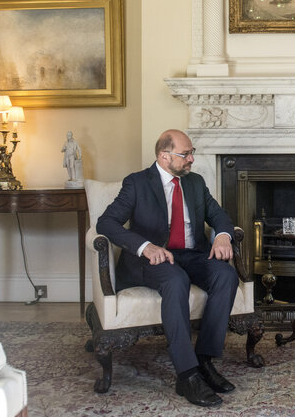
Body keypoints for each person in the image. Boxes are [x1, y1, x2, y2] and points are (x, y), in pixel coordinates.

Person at [97, 129, 238, 408]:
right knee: (176, 281)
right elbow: (106, 223)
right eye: (185, 154)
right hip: (151, 259)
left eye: (191, 153)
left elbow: (218, 214)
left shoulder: (195, 183)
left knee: (226, 275)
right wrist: (145, 246)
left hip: (190, 253)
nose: (192, 160)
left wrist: (223, 235)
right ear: (164, 156)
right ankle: (186, 375)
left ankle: (204, 361)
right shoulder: (137, 183)